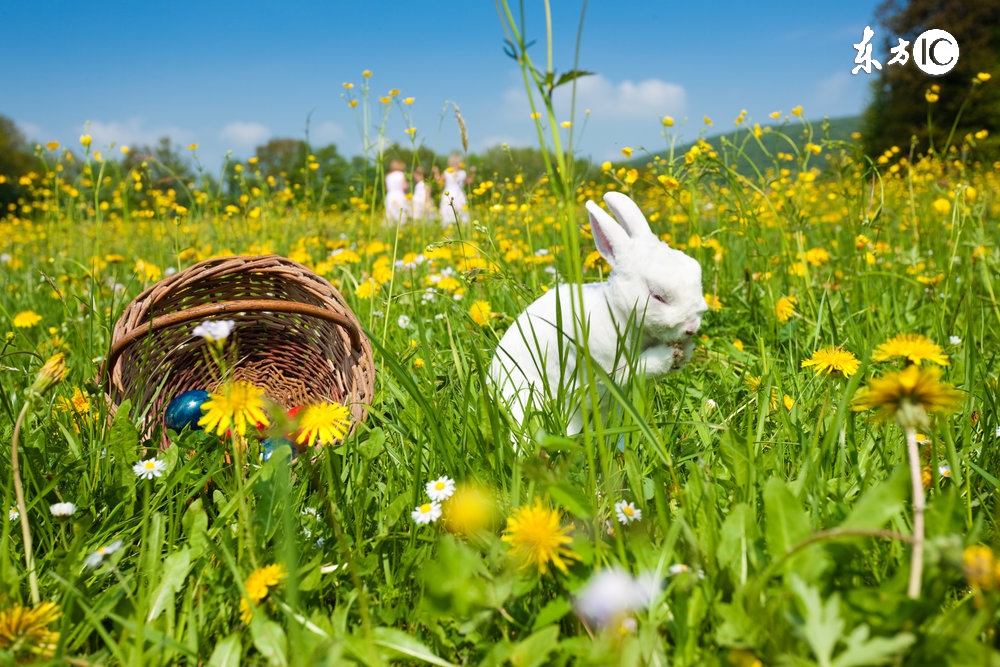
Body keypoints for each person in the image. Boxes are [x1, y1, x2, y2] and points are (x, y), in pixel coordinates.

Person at [433, 154, 476, 224]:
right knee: (460, 210)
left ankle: (448, 226)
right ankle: (461, 226)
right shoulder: (462, 173)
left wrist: (436, 172)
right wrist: (472, 172)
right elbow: (470, 181)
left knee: (448, 210)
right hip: (459, 194)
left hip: (448, 194)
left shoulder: (447, 171)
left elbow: (439, 181)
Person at [384, 159, 411, 223]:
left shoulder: (388, 176)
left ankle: (389, 226)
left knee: (389, 213)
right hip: (399, 195)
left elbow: (387, 189)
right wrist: (408, 185)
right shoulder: (401, 174)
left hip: (390, 196)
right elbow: (404, 186)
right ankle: (401, 226)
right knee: (400, 213)